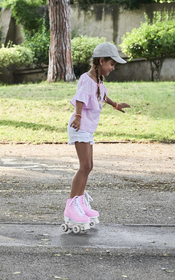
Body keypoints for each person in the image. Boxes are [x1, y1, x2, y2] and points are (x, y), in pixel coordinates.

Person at [62, 42, 130, 233]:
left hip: (87, 129)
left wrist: (116, 105)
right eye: (111, 64)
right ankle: (71, 207)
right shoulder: (86, 79)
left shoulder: (99, 82)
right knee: (84, 166)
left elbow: (103, 97)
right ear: (101, 61)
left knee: (89, 166)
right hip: (79, 126)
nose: (113, 68)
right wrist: (78, 116)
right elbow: (80, 98)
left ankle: (80, 202)